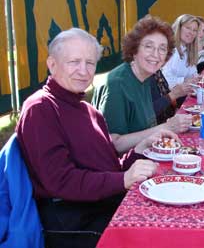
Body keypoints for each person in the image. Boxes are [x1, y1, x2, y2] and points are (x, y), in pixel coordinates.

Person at [16, 28, 179, 247]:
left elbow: (108, 165)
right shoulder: (41, 108)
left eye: (90, 63)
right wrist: (123, 179)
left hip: (101, 203)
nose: (83, 71)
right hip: (73, 222)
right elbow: (59, 181)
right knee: (161, 235)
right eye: (74, 62)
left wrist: (139, 150)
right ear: (52, 64)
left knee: (175, 211)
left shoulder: (88, 110)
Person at [93, 15, 192, 153]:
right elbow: (113, 143)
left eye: (162, 49)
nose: (155, 54)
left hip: (142, 154)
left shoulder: (147, 76)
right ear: (134, 50)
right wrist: (167, 127)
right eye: (148, 46)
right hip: (120, 168)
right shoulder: (117, 84)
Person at [161, 14, 200, 88]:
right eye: (188, 28)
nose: (191, 32)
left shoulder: (188, 50)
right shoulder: (170, 49)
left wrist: (200, 78)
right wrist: (184, 80)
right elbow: (165, 80)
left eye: (194, 30)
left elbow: (193, 73)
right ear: (179, 28)